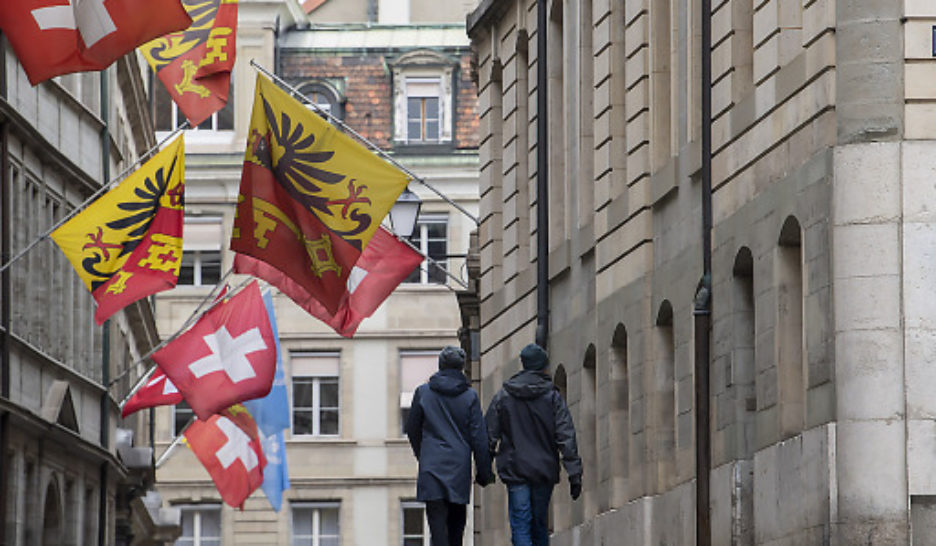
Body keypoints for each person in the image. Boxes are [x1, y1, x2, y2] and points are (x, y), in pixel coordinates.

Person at [485, 343, 583, 546]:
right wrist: (574, 473)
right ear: (544, 366)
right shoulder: (553, 397)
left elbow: (489, 435)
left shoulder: (504, 396)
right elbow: (566, 435)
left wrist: (485, 468)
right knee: (539, 524)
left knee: (521, 525)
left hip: (515, 468)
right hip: (543, 469)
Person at [405, 345, 494, 546]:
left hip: (432, 468)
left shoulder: (423, 393)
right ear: (462, 367)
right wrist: (484, 472)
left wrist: (424, 454)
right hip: (458, 469)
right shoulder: (470, 396)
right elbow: (479, 438)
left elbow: (412, 429)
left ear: (440, 365)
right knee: (456, 531)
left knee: (437, 531)